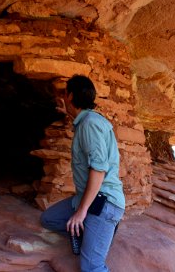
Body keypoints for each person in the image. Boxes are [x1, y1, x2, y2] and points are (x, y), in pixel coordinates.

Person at [40, 75, 125, 272]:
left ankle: (101, 229)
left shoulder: (89, 124)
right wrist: (68, 114)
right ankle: (95, 233)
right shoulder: (87, 120)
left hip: (104, 203)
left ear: (70, 95)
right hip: (88, 198)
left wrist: (81, 212)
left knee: (91, 266)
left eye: (65, 93)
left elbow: (98, 169)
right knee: (49, 219)